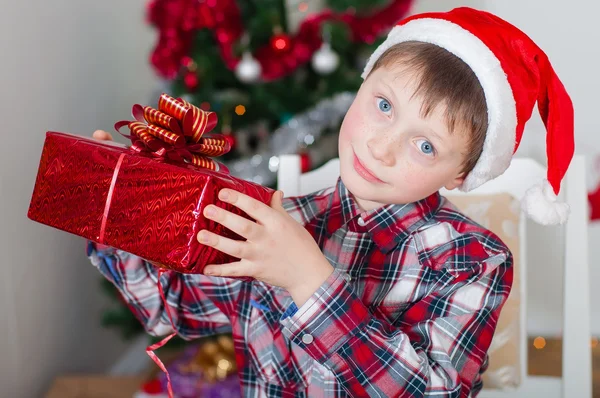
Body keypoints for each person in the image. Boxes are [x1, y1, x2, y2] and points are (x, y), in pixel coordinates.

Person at [89, 7, 573, 397]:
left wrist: (308, 280)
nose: (381, 148)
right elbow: (171, 307)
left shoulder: (473, 261)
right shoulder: (277, 219)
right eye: (384, 106)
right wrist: (118, 207)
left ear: (463, 174)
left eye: (425, 145)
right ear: (360, 88)